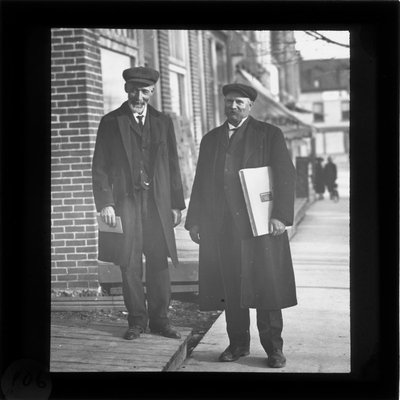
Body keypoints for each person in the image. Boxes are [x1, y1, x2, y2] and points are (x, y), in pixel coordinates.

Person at [185, 83, 297, 368]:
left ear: (250, 106)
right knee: (231, 288)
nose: (232, 106)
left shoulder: (269, 135)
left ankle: (274, 349)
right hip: (222, 227)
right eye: (228, 102)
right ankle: (237, 345)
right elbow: (200, 183)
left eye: (239, 102)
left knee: (266, 288)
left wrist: (280, 216)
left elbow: (285, 175)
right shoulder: (210, 139)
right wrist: (195, 221)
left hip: (259, 226)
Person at [92, 66, 185, 340]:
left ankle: (160, 320)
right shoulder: (110, 122)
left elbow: (173, 165)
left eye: (144, 91)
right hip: (125, 203)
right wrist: (105, 204)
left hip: (157, 204)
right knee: (129, 262)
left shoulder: (163, 122)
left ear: (152, 92)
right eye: (134, 90)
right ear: (126, 90)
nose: (139, 96)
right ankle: (136, 321)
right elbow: (100, 167)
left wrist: (176, 204)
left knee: (158, 261)